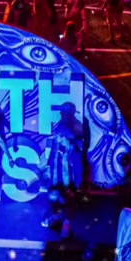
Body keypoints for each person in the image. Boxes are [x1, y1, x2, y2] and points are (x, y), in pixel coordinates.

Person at [41, 102, 84, 238]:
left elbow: (77, 153)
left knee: (67, 200)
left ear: (69, 114)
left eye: (64, 113)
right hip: (56, 172)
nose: (61, 115)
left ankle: (65, 224)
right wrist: (47, 168)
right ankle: (57, 219)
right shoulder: (60, 126)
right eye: (61, 113)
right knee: (55, 198)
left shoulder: (75, 128)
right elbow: (53, 150)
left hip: (67, 174)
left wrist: (78, 178)